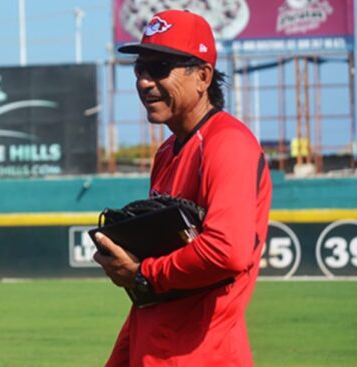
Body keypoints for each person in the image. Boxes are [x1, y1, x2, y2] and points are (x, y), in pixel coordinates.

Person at [92, 10, 272, 366]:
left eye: (159, 68)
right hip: (156, 348)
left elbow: (227, 251)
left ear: (203, 76)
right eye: (140, 68)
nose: (144, 81)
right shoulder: (167, 152)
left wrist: (143, 273)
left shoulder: (228, 144)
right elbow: (154, 296)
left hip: (203, 355)